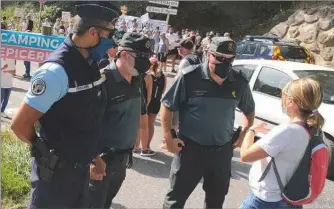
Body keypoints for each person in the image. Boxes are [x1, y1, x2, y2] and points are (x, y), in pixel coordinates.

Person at [10, 4, 118, 208]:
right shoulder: (55, 72)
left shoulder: (91, 65)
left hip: (80, 173)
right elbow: (20, 125)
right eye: (109, 34)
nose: (112, 41)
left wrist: (93, 156)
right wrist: (47, 155)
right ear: (93, 33)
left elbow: (87, 119)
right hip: (54, 180)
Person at [160, 36, 255, 209]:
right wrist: (168, 137)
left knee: (215, 201)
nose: (224, 62)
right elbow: (167, 105)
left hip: (221, 153)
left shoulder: (239, 82)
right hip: (190, 150)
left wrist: (244, 132)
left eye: (229, 59)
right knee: (175, 200)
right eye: (219, 57)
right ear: (208, 54)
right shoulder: (190, 77)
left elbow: (249, 111)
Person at [87, 32, 152, 208]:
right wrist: (92, 160)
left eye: (148, 56)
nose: (145, 61)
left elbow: (139, 111)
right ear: (124, 54)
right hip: (100, 160)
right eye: (141, 56)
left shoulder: (137, 79)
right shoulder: (102, 80)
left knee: (106, 202)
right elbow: (84, 124)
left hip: (122, 160)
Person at [239, 77, 324, 209]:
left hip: (266, 200)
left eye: (284, 95)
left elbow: (245, 155)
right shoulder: (315, 130)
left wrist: (251, 131)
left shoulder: (287, 131)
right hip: (292, 199)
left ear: (291, 101)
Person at [147, 56, 167, 150]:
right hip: (156, 102)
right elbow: (163, 91)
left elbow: (148, 92)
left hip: (148, 101)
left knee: (142, 125)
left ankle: (139, 145)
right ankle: (147, 145)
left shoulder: (148, 76)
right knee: (151, 124)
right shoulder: (163, 75)